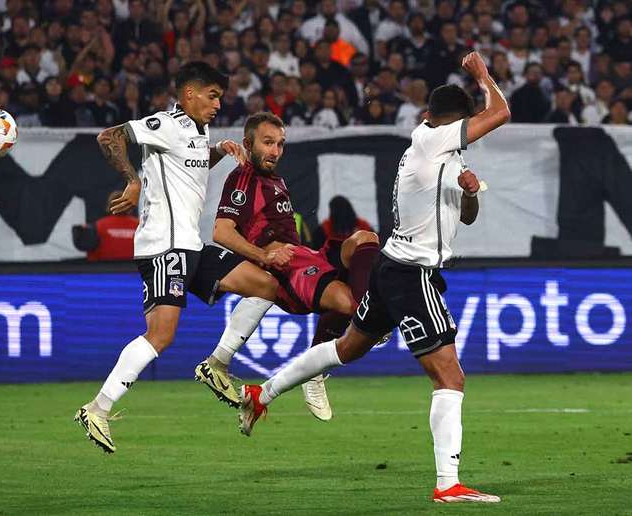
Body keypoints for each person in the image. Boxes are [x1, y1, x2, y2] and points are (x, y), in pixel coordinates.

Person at [237, 51, 510, 504]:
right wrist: (482, 75)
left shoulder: (435, 152)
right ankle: (448, 484)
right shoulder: (434, 143)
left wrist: (470, 193)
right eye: (465, 126)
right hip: (411, 274)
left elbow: (468, 216)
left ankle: (261, 393)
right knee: (450, 378)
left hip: (390, 267)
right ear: (450, 124)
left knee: (346, 348)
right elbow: (501, 111)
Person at [73, 62, 290, 454]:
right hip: (164, 246)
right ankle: (98, 409)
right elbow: (110, 137)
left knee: (267, 284)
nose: (217, 104)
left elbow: (184, 164)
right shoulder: (167, 123)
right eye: (212, 96)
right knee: (161, 335)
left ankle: (217, 364)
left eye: (220, 98)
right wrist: (132, 179)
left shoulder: (196, 130)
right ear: (189, 94)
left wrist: (217, 152)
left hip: (191, 244)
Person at [194, 112, 379, 421]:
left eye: (280, 144)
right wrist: (263, 257)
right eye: (268, 143)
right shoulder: (244, 177)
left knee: (365, 239)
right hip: (289, 271)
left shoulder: (275, 180)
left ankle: (327, 357)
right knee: (350, 304)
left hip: (308, 256)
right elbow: (221, 232)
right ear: (248, 144)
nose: (275, 151)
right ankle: (321, 367)